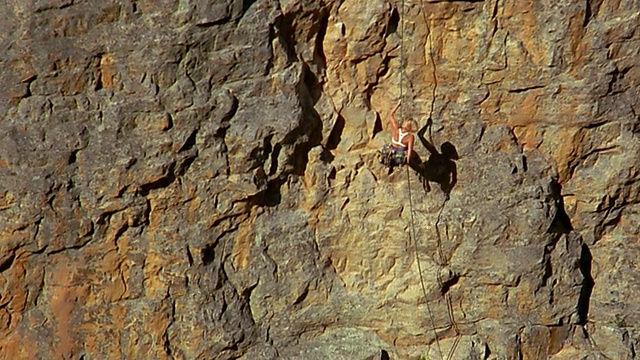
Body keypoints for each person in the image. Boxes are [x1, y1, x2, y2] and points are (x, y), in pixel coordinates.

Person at [380, 100, 418, 168]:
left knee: (386, 146)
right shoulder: (410, 137)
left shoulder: (396, 128)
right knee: (415, 155)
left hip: (391, 151)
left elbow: (391, 115)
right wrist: (408, 161)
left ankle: (387, 159)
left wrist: (398, 105)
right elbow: (409, 152)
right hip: (399, 156)